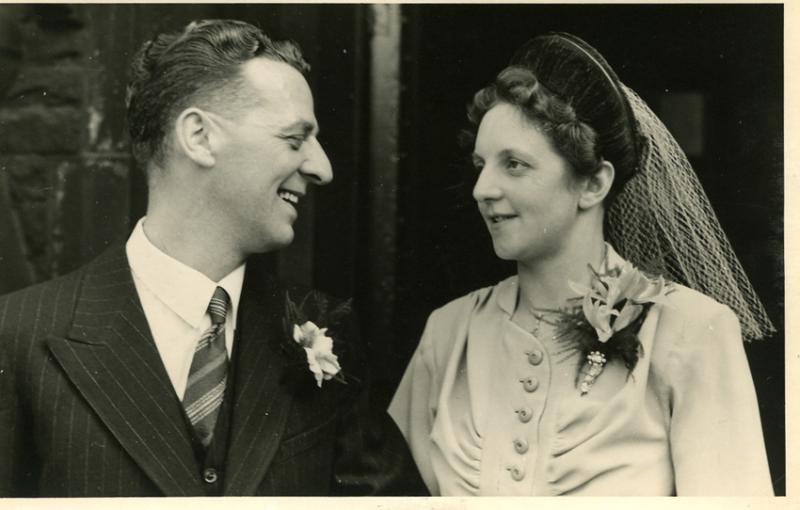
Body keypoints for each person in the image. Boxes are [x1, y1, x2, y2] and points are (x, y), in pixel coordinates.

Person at [0, 19, 424, 497]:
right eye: (293, 139)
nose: (321, 168)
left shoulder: (326, 331)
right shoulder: (20, 339)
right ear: (199, 136)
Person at [389, 32, 775, 496]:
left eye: (513, 165)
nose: (482, 189)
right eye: (480, 164)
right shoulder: (447, 336)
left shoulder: (690, 331)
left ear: (593, 185)